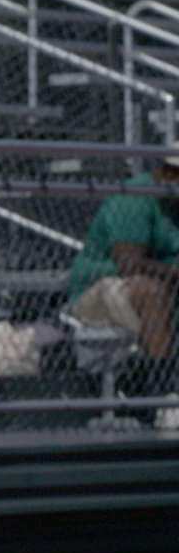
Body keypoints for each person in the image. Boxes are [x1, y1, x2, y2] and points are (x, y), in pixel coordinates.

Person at [63, 150, 179, 404]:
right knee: (150, 291)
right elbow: (129, 264)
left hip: (167, 284)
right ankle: (164, 396)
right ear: (167, 173)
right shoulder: (135, 196)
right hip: (101, 288)